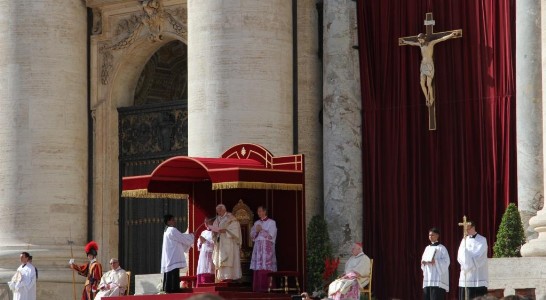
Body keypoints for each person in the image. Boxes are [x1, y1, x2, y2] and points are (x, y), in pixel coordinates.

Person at [399, 31, 459, 107]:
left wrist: (451, 35)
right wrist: (404, 41)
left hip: (429, 65)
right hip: (423, 65)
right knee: (422, 83)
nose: (419, 41)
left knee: (428, 84)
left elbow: (442, 39)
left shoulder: (431, 43)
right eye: (419, 39)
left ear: (424, 38)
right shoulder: (420, 45)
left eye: (420, 39)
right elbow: (412, 43)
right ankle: (426, 98)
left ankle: (431, 98)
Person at [161, 214, 194, 293]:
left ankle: (168, 288)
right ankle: (174, 289)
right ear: (168, 221)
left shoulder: (167, 230)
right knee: (173, 272)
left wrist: (190, 236)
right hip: (173, 255)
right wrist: (192, 236)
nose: (174, 221)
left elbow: (180, 237)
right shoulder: (172, 230)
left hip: (170, 255)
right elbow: (182, 238)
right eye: (172, 220)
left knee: (170, 272)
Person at [457, 220, 488, 300]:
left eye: (468, 228)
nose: (466, 231)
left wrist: (468, 258)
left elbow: (480, 255)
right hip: (466, 275)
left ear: (473, 227)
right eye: (465, 229)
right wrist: (466, 259)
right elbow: (459, 256)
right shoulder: (464, 240)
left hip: (478, 274)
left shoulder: (482, 240)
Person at [212, 204, 242, 282]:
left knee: (228, 259)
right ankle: (222, 277)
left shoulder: (231, 218)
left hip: (228, 242)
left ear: (224, 210)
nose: (219, 213)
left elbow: (236, 229)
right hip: (220, 242)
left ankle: (229, 277)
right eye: (217, 211)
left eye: (220, 211)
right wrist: (214, 232)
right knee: (221, 259)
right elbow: (214, 229)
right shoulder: (217, 219)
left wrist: (225, 230)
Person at [250, 206, 277, 292]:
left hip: (267, 246)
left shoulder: (272, 222)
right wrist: (257, 231)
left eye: (260, 211)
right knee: (258, 265)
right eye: (258, 212)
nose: (259, 213)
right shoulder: (256, 222)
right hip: (258, 246)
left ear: (265, 212)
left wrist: (261, 230)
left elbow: (271, 235)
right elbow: (252, 236)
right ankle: (258, 288)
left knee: (266, 266)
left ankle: (267, 287)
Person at [421, 227, 450, 300]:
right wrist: (423, 262)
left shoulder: (442, 248)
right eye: (429, 235)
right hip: (428, 276)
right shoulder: (427, 248)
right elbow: (423, 261)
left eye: (432, 235)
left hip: (437, 278)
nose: (430, 237)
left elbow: (447, 262)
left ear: (437, 236)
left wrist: (436, 261)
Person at [197, 217, 215, 286]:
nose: (206, 224)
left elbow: (216, 243)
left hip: (211, 253)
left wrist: (206, 242)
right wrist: (200, 243)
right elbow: (199, 243)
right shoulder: (203, 232)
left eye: (208, 222)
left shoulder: (215, 232)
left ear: (212, 223)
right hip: (203, 254)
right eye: (205, 222)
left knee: (209, 268)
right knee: (203, 267)